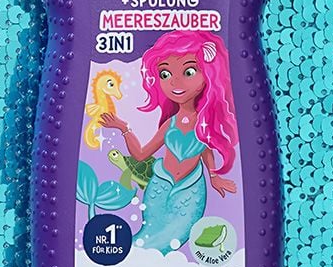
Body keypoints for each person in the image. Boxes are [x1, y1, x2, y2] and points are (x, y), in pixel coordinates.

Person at [100, 30, 238, 253]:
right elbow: (141, 154)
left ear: (208, 73)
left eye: (189, 72)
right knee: (148, 236)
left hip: (190, 191)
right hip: (160, 186)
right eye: (165, 74)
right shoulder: (170, 124)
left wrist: (214, 177)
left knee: (172, 238)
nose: (175, 82)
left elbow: (205, 150)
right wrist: (123, 128)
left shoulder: (205, 122)